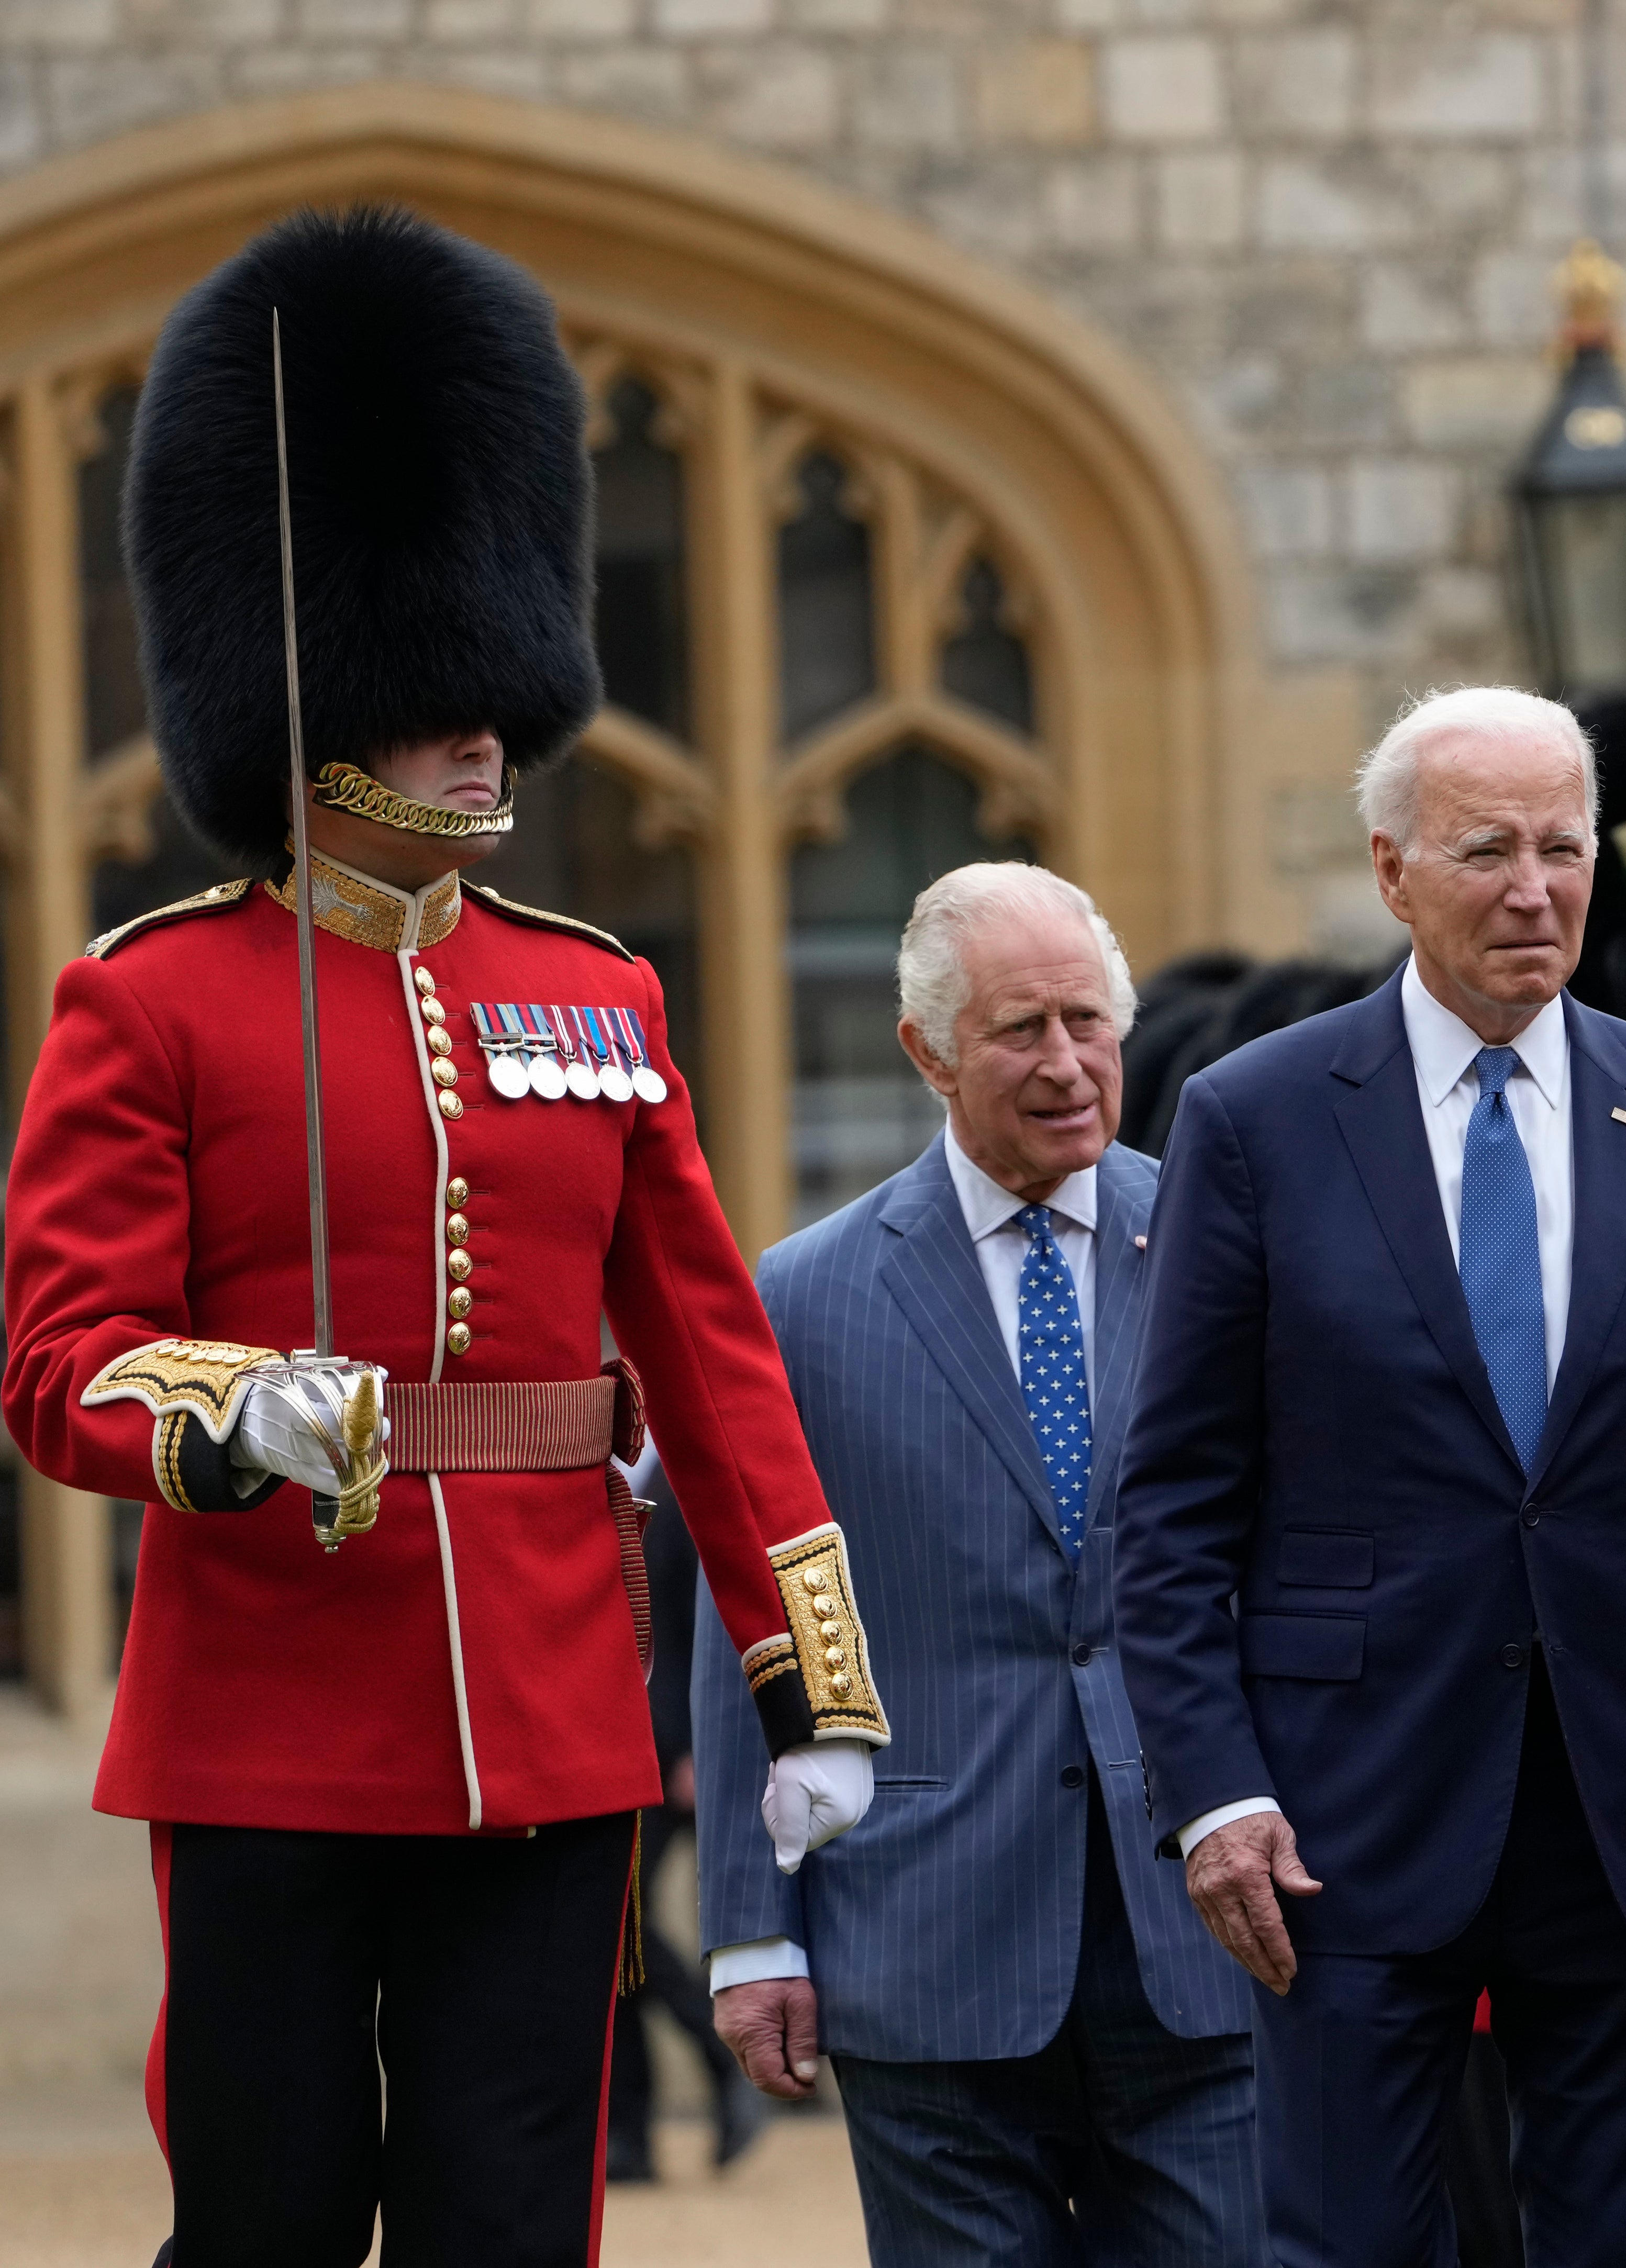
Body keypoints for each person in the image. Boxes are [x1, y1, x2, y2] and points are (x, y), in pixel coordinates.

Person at [0, 207, 888, 2265]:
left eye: (494, 691)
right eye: (433, 703)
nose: (484, 730)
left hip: (557, 1721)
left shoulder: (599, 996)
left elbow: (709, 1360)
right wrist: (234, 1415)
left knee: (516, 2223)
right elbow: (61, 1360)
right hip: (269, 1714)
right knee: (267, 2216)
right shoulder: (150, 1002)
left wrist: (809, 1683)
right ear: (321, 716)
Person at [1112, 685, 1626, 2267]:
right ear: (1390, 871)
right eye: (1488, 851)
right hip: (1340, 1810)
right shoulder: (1254, 1118)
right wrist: (1217, 1791)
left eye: (1565, 847)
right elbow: (1172, 1503)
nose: (1536, 889)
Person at [695, 862, 1263, 2262]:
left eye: (1088, 1021)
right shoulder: (806, 1295)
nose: (1067, 1063)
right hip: (922, 1936)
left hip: (1208, 1927)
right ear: (927, 1050)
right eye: (1022, 1029)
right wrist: (751, 1926)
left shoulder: (1231, 1243)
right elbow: (751, 1623)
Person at [606, 1458, 773, 2181]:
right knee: (618, 1941)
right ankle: (629, 2137)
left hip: (674, 1750)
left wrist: (690, 1746)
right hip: (633, 1740)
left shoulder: (685, 1478)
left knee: (622, 1932)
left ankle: (721, 2062)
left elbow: (694, 1623)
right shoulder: (633, 1470)